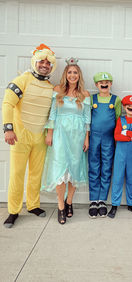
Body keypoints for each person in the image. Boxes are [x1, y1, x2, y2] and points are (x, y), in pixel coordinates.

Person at [2, 44, 56, 228]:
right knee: (17, 174)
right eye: (41, 61)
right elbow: (8, 103)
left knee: (36, 174)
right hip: (20, 136)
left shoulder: (50, 88)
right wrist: (8, 129)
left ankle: (33, 205)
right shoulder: (21, 80)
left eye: (48, 63)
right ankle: (13, 210)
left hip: (39, 137)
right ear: (34, 61)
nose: (44, 65)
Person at [40, 57, 90, 224]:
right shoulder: (58, 90)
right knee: (61, 168)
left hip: (78, 134)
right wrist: (49, 133)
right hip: (60, 133)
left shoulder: (84, 94)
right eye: (69, 72)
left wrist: (86, 138)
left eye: (75, 72)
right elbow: (53, 114)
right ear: (65, 74)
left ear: (79, 75)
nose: (72, 75)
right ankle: (61, 206)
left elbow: (86, 118)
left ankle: (70, 202)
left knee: (74, 168)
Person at [88, 72, 121, 218]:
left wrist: (117, 138)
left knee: (106, 168)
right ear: (96, 84)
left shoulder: (116, 100)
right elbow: (87, 119)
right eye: (101, 81)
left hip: (109, 138)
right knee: (94, 167)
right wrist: (86, 138)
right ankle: (93, 200)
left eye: (107, 81)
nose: (104, 83)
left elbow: (118, 119)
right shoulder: (92, 98)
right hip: (94, 138)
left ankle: (102, 200)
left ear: (111, 84)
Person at [108, 95, 132, 219]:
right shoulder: (120, 120)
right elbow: (117, 136)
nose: (131, 107)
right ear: (124, 107)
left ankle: (131, 204)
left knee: (131, 179)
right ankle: (114, 205)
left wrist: (126, 133)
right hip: (120, 154)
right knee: (117, 179)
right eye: (129, 106)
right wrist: (131, 137)